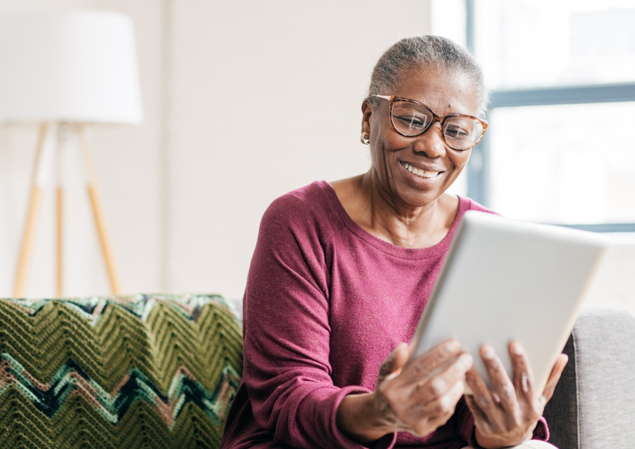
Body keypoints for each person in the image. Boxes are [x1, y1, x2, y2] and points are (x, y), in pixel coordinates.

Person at [220, 36, 567, 449]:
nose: (432, 146)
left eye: (456, 130)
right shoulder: (299, 222)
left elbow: (474, 414)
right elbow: (288, 398)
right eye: (411, 118)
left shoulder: (489, 238)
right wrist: (381, 412)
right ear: (369, 118)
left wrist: (503, 430)